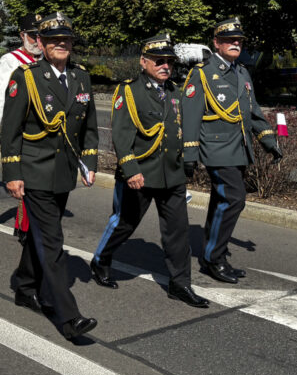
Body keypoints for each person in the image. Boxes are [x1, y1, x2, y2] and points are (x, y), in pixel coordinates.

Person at [0, 12, 99, 341]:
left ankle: (25, 286)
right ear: (40, 43)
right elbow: (10, 130)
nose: (61, 44)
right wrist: (12, 173)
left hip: (64, 172)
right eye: (53, 40)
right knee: (53, 240)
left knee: (41, 235)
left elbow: (89, 126)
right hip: (35, 171)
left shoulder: (81, 78)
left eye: (66, 40)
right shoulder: (25, 76)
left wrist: (89, 160)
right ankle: (69, 317)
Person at [90, 34, 209, 308]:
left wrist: (189, 159)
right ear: (144, 62)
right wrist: (130, 169)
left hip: (171, 174)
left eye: (169, 61)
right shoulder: (129, 91)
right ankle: (101, 260)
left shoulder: (174, 91)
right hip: (140, 172)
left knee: (177, 231)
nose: (165, 65)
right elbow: (121, 134)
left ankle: (180, 285)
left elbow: (179, 129)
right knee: (124, 224)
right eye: (159, 61)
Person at [181, 17, 282, 284]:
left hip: (238, 148)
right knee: (235, 199)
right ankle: (214, 258)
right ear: (216, 43)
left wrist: (269, 141)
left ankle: (214, 252)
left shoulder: (241, 72)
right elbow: (190, 117)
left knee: (221, 200)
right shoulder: (202, 73)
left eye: (239, 41)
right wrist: (189, 154)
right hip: (216, 148)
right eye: (229, 40)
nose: (235, 44)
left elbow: (253, 110)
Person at [0, 13, 42, 240]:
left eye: (40, 36)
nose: (37, 41)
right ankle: (25, 227)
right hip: (19, 126)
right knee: (27, 180)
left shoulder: (46, 59)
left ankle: (29, 224)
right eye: (32, 36)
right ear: (22, 36)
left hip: (42, 126)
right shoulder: (11, 60)